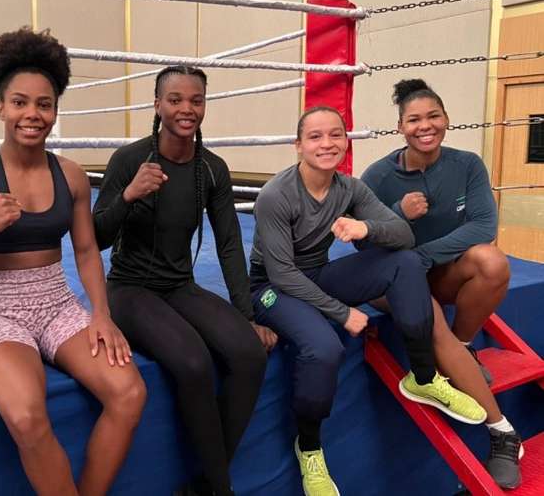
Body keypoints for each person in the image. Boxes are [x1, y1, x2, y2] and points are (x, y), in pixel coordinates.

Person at [0, 27, 146, 496]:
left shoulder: (69, 174)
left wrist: (101, 314)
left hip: (57, 302)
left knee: (129, 393)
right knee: (28, 415)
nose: (32, 114)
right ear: (1, 107)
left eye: (44, 104)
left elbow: (87, 250)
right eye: (20, 102)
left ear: (55, 110)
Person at [250, 106, 486, 496]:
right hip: (272, 288)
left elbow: (404, 237)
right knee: (324, 347)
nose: (326, 144)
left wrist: (366, 227)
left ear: (346, 140)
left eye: (335, 135)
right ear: (298, 145)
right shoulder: (277, 194)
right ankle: (308, 446)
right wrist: (341, 313)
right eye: (315, 137)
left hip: (317, 276)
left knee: (404, 262)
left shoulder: (349, 189)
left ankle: (423, 377)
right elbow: (282, 275)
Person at [93, 66, 273, 496]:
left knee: (249, 355)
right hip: (129, 288)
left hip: (180, 285)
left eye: (196, 100)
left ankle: (206, 485)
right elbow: (95, 236)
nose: (186, 109)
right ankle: (221, 489)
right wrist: (129, 194)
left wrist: (246, 316)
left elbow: (230, 243)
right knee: (193, 362)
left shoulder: (211, 169)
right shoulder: (129, 160)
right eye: (175, 100)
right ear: (157, 105)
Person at [362, 78, 521, 489]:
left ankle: (464, 347)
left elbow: (484, 225)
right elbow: (364, 239)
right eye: (414, 119)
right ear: (400, 127)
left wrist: (424, 256)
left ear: (447, 120)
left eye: (433, 115)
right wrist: (398, 213)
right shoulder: (378, 176)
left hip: (434, 269)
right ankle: (502, 432)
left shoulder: (466, 164)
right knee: (426, 318)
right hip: (392, 278)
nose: (425, 125)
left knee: (492, 261)